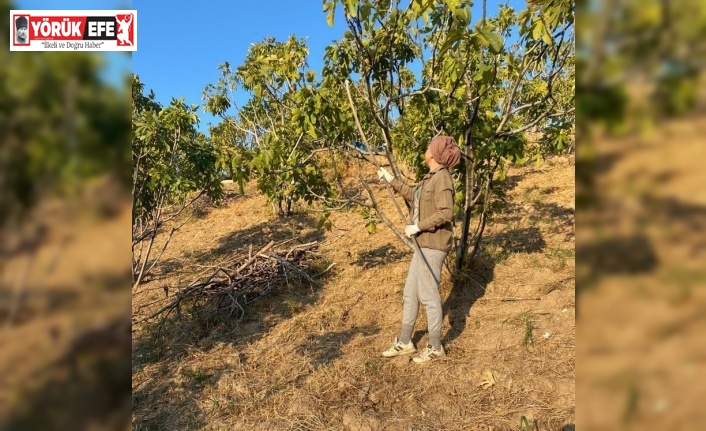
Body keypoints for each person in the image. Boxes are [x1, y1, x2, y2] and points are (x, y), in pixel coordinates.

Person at [377, 135, 461, 363]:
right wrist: (390, 179)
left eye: (428, 147)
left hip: (433, 245)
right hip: (423, 244)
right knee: (410, 293)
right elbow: (412, 196)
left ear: (433, 153)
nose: (426, 149)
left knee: (428, 295)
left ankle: (435, 346)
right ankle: (405, 342)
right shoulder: (430, 179)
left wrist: (418, 226)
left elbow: (446, 212)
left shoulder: (442, 179)